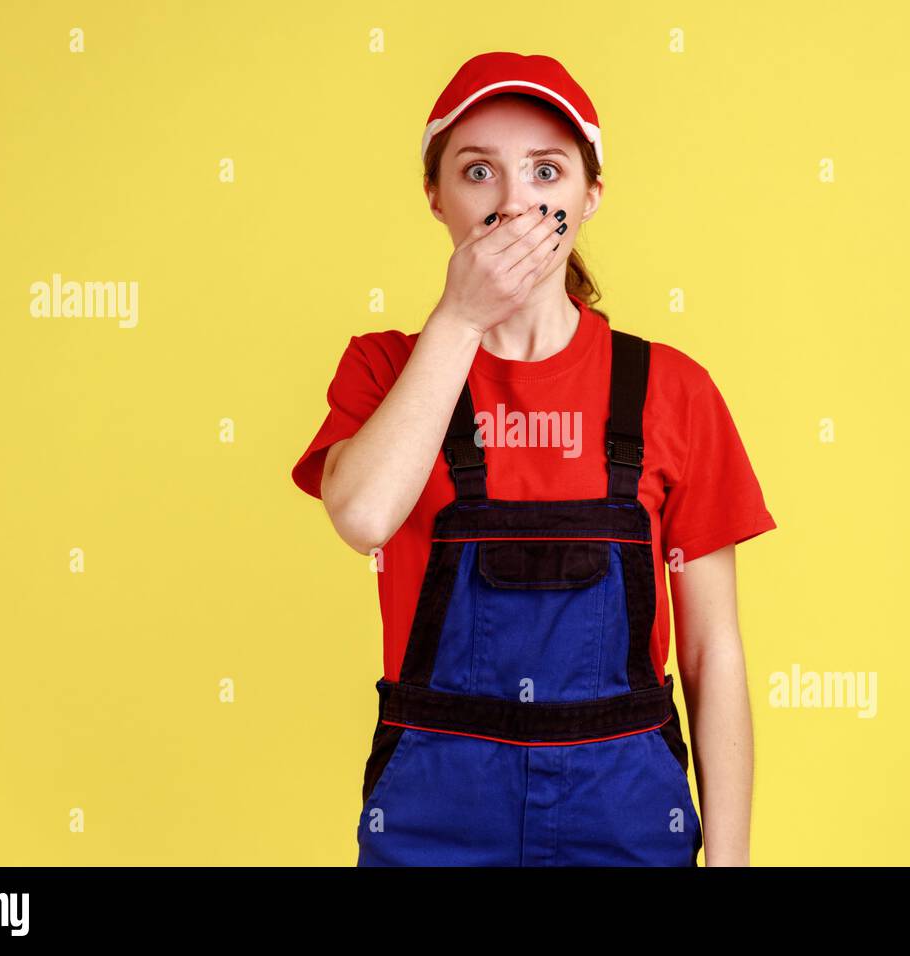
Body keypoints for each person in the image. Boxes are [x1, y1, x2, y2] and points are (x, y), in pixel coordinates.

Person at [291, 52, 777, 866]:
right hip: (431, 824)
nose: (515, 202)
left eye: (545, 170)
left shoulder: (671, 391)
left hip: (627, 821)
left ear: (588, 197)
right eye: (478, 170)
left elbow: (711, 651)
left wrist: (729, 864)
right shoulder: (384, 371)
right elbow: (365, 515)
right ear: (435, 198)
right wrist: (458, 321)